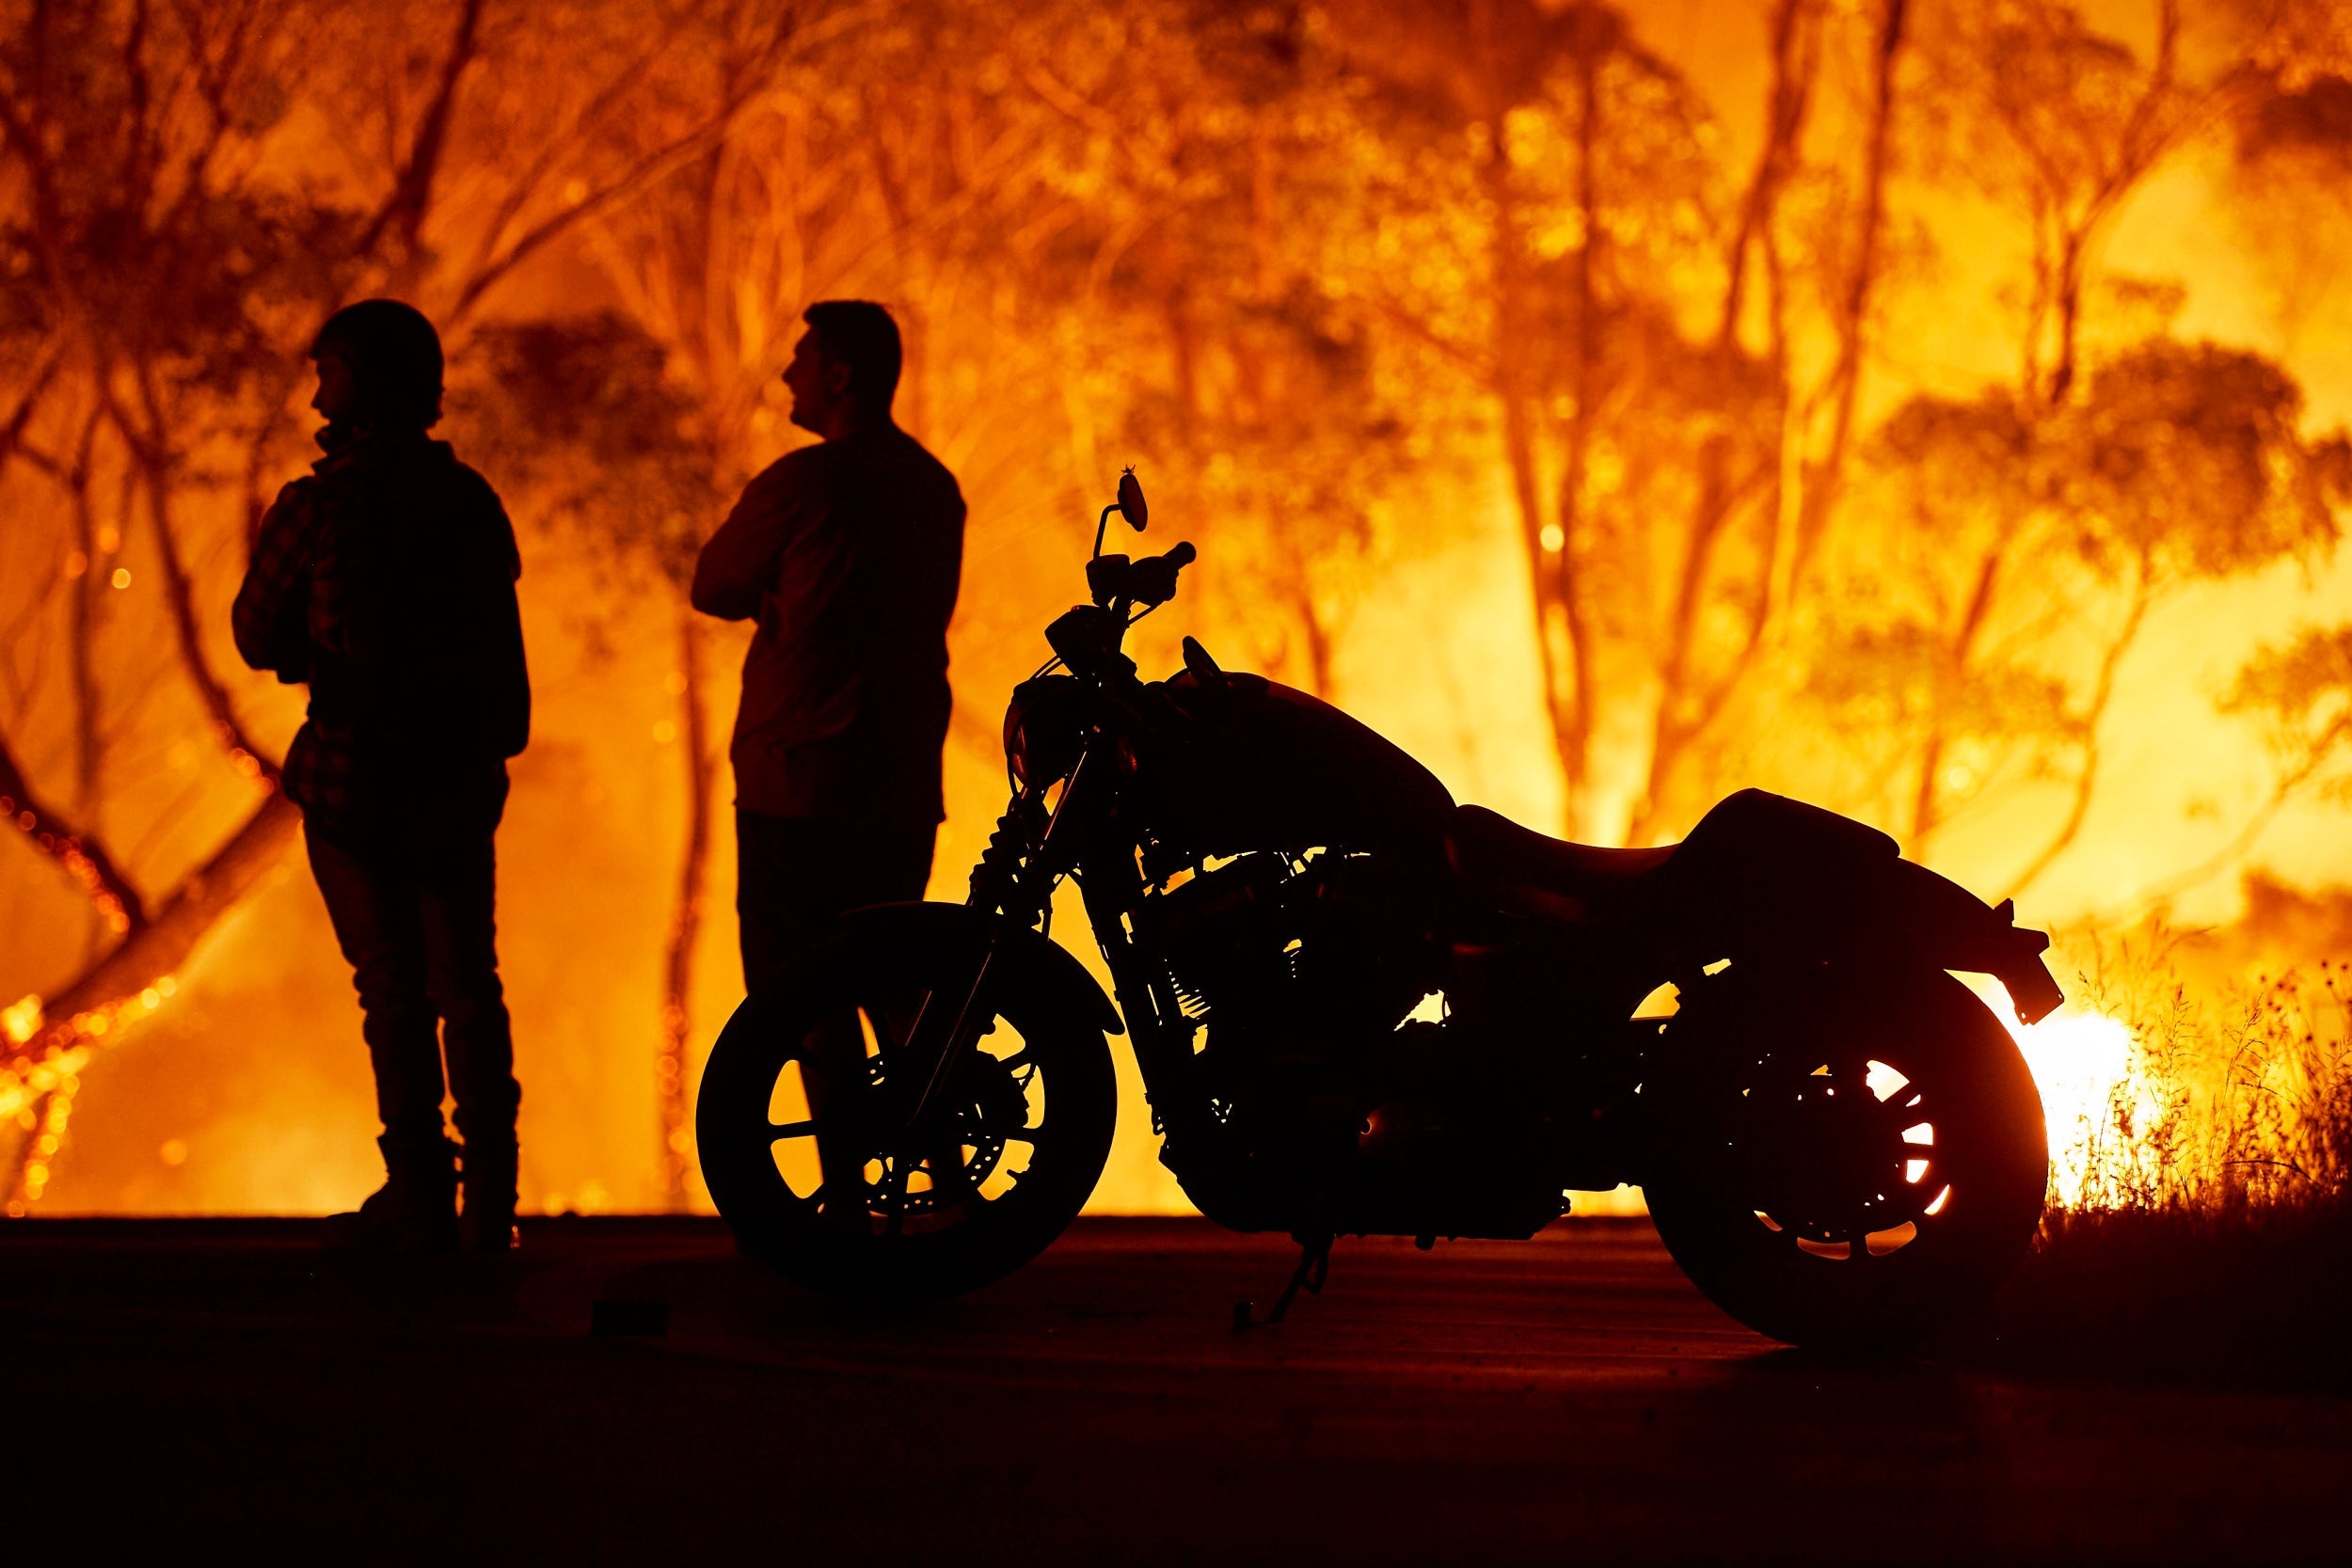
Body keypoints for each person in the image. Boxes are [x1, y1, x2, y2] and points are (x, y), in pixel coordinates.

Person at [232, 299, 531, 1254]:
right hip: (454, 776)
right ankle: (492, 1191)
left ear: (362, 380)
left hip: (353, 778)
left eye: (329, 371)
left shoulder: (320, 505)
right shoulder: (468, 500)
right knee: (468, 984)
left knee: (391, 990)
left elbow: (253, 631)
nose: (318, 390)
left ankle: (417, 1189)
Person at [692, 301, 964, 1192]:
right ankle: (945, 1180)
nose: (788, 375)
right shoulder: (933, 487)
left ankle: (844, 1196)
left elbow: (715, 581)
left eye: (803, 358)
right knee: (894, 981)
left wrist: (780, 601)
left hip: (795, 779)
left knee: (801, 993)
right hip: (895, 782)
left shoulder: (803, 484)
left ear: (842, 375)